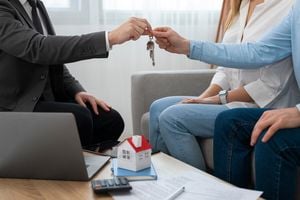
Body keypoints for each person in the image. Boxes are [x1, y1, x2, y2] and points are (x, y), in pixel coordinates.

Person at [153, 0, 300, 199]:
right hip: (232, 101)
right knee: (158, 108)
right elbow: (244, 58)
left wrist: (219, 99)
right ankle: (164, 190)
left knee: (173, 118)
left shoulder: (286, 6)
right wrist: (204, 96)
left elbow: (272, 82)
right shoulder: (246, 7)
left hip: (262, 103)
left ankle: (199, 193)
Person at [0, 0, 152, 150]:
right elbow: (38, 48)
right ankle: (68, 168)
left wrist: (76, 90)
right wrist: (110, 38)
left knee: (112, 120)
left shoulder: (36, 5)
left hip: (45, 97)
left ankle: (89, 163)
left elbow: (53, 59)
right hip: (16, 104)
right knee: (79, 119)